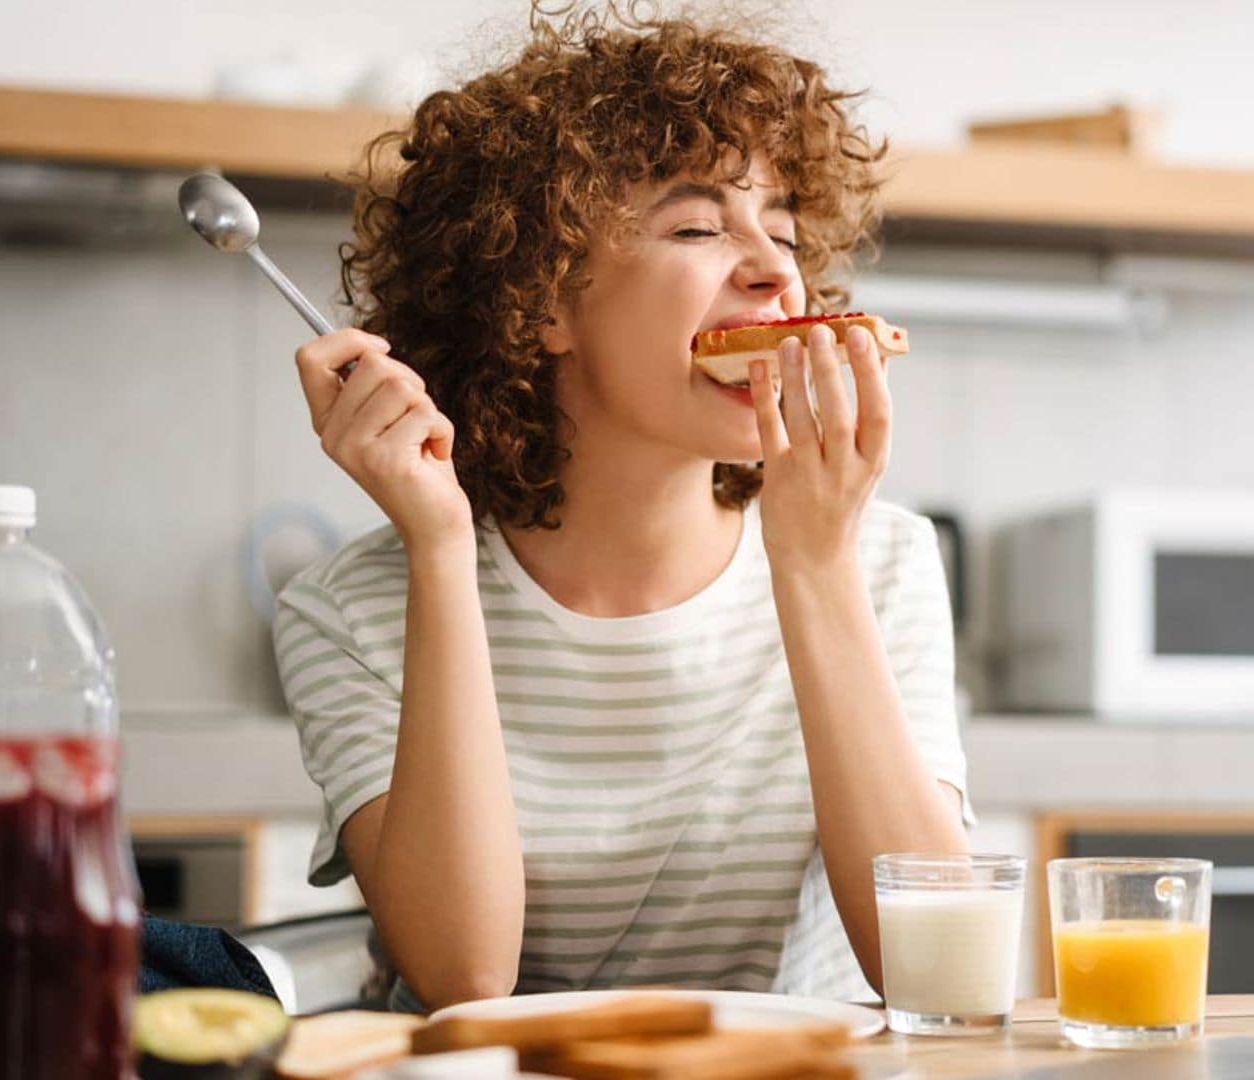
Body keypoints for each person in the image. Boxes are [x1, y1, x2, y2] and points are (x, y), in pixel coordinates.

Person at [273, 4, 971, 1011]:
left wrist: (815, 566)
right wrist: (436, 550)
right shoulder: (353, 610)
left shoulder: (882, 561)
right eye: (697, 226)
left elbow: (937, 974)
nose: (776, 270)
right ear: (540, 302)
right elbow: (466, 977)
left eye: (780, 231)